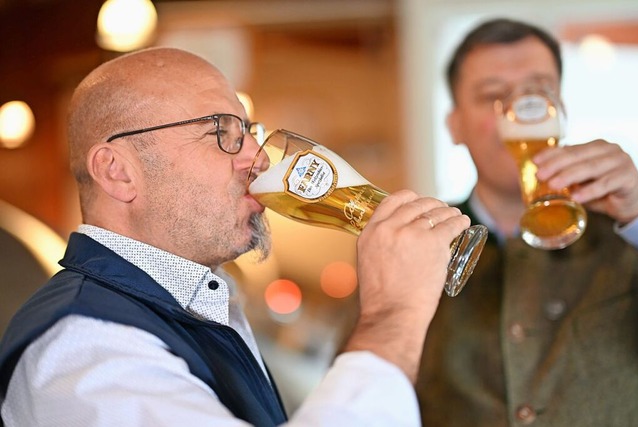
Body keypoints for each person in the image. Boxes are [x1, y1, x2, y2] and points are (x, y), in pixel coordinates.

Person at [0, 47, 469, 426]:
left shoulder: (188, 303)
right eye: (221, 132)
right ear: (118, 171)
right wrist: (392, 315)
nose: (258, 159)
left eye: (248, 130)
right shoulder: (82, 351)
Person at [416, 17, 638, 426]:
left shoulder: (627, 231)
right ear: (455, 126)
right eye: (493, 96)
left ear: (562, 111)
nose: (520, 112)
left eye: (539, 92)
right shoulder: (415, 245)